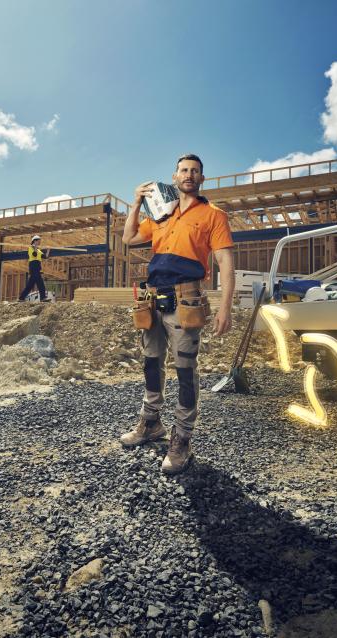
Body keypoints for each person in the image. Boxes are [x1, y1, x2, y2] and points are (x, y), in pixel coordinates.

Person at [119, 153, 236, 474]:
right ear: (174, 177)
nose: (188, 175)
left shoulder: (213, 215)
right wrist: (136, 203)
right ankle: (150, 423)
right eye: (183, 170)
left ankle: (182, 439)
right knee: (151, 364)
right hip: (152, 299)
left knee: (185, 370)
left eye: (195, 171)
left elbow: (225, 262)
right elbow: (128, 239)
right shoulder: (161, 214)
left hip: (187, 299)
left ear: (201, 179)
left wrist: (225, 306)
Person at [18, 235, 49, 302]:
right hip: (33, 266)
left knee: (30, 285)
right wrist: (35, 247)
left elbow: (45, 257)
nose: (39, 242)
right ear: (34, 241)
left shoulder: (38, 250)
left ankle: (21, 298)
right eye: (38, 241)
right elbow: (34, 255)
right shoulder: (30, 248)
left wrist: (49, 249)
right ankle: (43, 298)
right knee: (40, 284)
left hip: (37, 267)